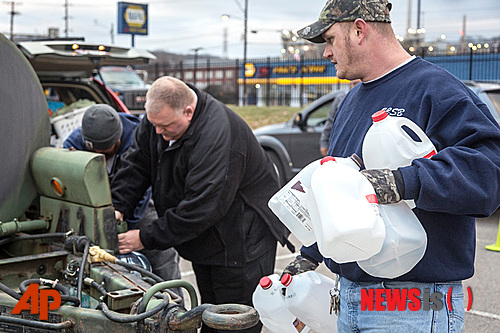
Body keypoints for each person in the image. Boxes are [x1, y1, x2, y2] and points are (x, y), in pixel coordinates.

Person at [283, 0, 500, 332]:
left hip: (410, 304)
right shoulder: (349, 101)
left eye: (329, 40)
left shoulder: (437, 90)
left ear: (359, 29)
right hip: (349, 298)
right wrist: (312, 251)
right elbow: (345, 191)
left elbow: (489, 175)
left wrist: (403, 182)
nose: (326, 53)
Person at [110, 76, 292, 333]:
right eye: (154, 126)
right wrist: (118, 206)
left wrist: (145, 237)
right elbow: (136, 164)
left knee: (233, 322)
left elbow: (202, 206)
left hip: (241, 242)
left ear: (188, 111)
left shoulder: (216, 133)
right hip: (207, 239)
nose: (159, 134)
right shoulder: (158, 122)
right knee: (208, 314)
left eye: (166, 127)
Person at [63, 105, 182, 298]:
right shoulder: (77, 140)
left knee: (161, 255)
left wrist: (131, 233)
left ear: (118, 141)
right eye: (97, 152)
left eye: (107, 152)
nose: (103, 157)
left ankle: (176, 306)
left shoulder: (136, 136)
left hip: (138, 202)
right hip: (96, 205)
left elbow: (140, 187)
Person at [319, 79, 360, 156]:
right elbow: (330, 121)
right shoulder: (341, 98)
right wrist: (324, 143)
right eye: (352, 84)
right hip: (342, 145)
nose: (354, 86)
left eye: (357, 83)